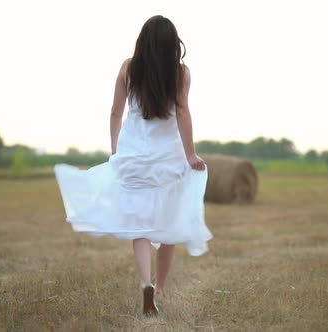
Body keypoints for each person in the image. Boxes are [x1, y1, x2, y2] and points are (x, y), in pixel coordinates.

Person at [54, 15, 212, 317]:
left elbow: (115, 112)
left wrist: (117, 150)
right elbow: (182, 112)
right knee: (170, 224)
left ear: (143, 41)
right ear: (172, 45)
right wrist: (190, 154)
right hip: (167, 156)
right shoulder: (181, 73)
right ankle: (161, 288)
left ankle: (145, 284)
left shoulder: (129, 68)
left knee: (139, 226)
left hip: (134, 154)